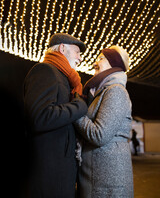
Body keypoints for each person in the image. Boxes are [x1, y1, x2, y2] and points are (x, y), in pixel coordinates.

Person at [23, 33, 88, 198]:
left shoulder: (64, 78)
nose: (80, 59)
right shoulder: (45, 70)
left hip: (59, 170)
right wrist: (79, 106)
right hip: (48, 173)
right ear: (62, 48)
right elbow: (39, 117)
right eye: (77, 52)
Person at [74, 45, 134, 198]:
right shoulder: (100, 92)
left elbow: (100, 135)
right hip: (98, 175)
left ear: (113, 64)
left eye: (101, 58)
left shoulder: (116, 91)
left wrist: (76, 112)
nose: (95, 62)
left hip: (108, 180)